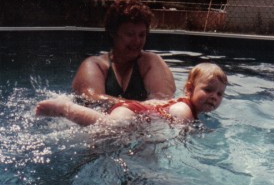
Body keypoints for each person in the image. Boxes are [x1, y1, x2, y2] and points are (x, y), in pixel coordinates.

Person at [36, 63, 228, 126]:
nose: (214, 97)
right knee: (107, 126)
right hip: (133, 112)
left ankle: (68, 110)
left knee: (104, 130)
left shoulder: (185, 104)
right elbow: (170, 134)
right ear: (189, 89)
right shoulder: (185, 110)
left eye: (219, 94)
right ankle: (65, 108)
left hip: (135, 109)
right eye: (208, 90)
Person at [72, 0, 175, 105]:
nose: (137, 41)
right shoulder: (95, 66)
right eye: (130, 34)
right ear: (113, 33)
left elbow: (163, 103)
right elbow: (90, 99)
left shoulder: (150, 62)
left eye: (142, 35)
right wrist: (137, 107)